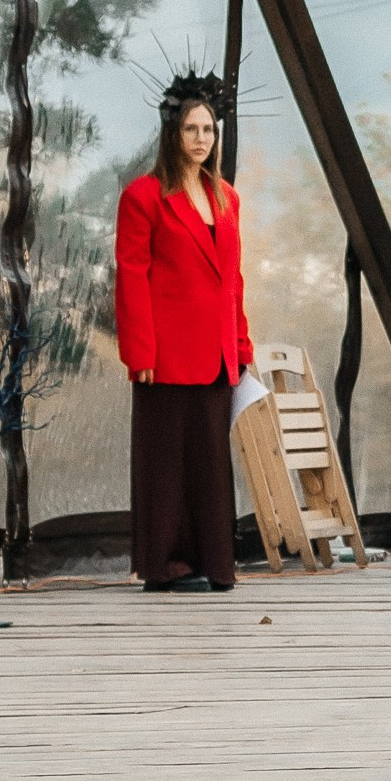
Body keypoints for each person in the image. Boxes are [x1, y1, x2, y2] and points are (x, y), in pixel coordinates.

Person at [115, 73, 253, 594]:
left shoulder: (227, 199)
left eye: (209, 130)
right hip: (165, 354)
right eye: (192, 129)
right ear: (172, 134)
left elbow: (232, 279)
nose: (201, 139)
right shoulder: (143, 196)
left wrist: (241, 346)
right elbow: (131, 277)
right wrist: (139, 351)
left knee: (211, 466)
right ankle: (165, 565)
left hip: (217, 353)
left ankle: (214, 564)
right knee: (164, 465)